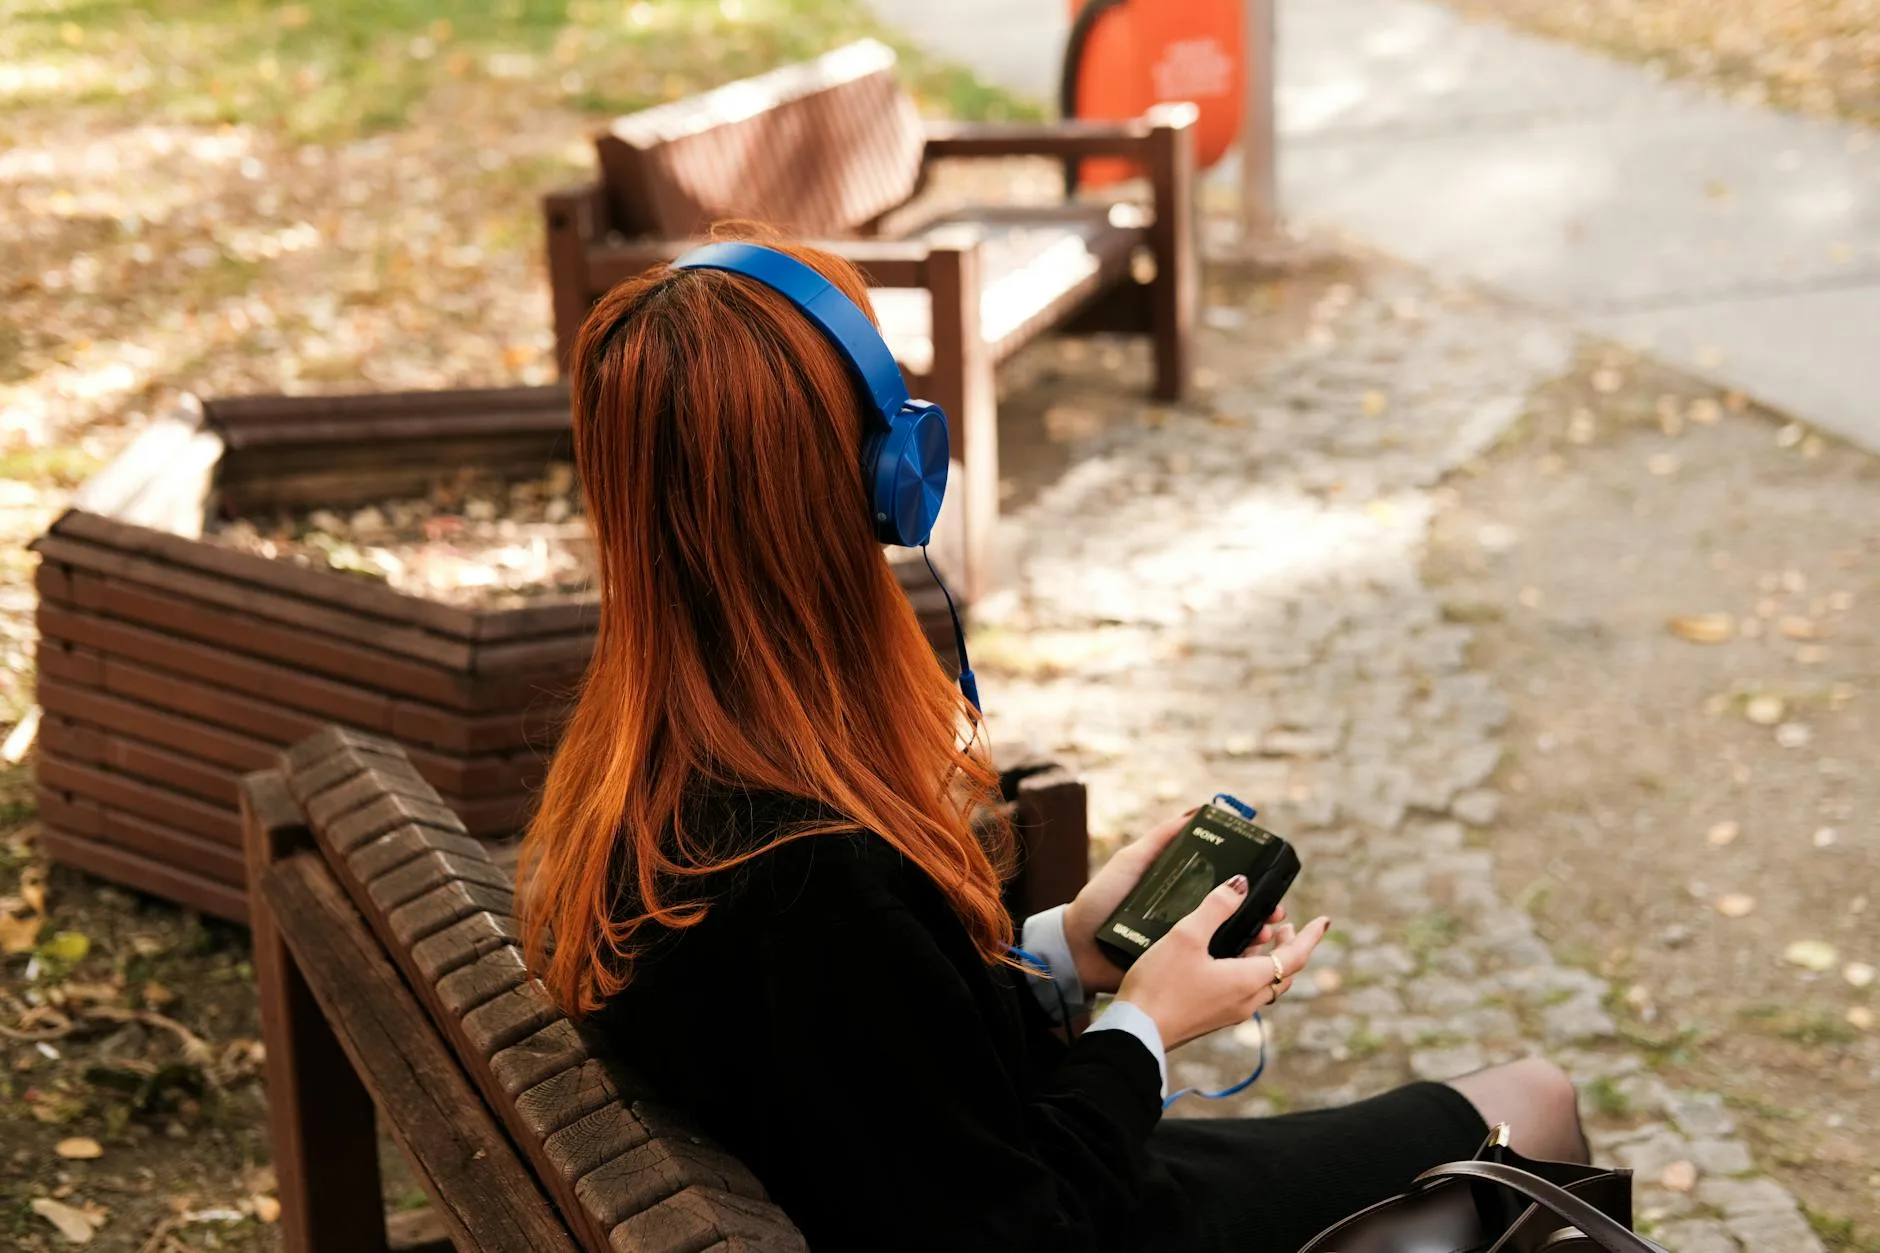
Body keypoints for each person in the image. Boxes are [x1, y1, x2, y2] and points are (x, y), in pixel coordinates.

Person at [517, 228, 1589, 1253]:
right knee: (1534, 1103)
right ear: (886, 482)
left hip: (976, 1174)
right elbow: (1010, 1224)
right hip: (1082, 1205)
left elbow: (873, 1062)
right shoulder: (808, 876)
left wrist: (1066, 950)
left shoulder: (646, 792)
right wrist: (1147, 1027)